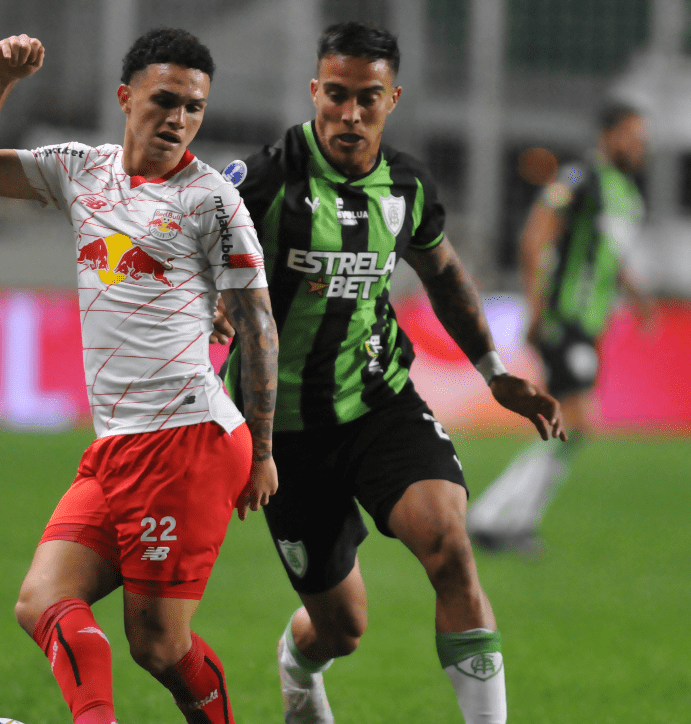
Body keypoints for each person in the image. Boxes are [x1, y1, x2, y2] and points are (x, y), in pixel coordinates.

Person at [211, 22, 564, 724]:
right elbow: (198, 258)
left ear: (392, 98)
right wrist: (210, 309)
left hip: (380, 402)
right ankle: (298, 665)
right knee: (342, 628)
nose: (349, 114)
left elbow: (444, 273)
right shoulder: (266, 180)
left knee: (450, 547)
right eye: (335, 95)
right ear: (315, 90)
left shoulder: (405, 186)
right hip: (285, 431)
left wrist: (494, 369)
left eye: (367, 98)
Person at [0, 28, 279, 724]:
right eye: (164, 101)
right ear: (126, 98)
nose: (178, 118)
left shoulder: (212, 202)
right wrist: (1, 81)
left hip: (186, 438)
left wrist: (266, 451)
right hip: (118, 444)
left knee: (156, 644)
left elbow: (260, 328)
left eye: (194, 107)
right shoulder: (81, 170)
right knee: (41, 601)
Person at [465, 102, 655, 554]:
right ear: (607, 135)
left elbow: (610, 256)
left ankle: (507, 520)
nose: (639, 146)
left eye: (642, 138)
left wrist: (638, 296)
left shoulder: (627, 195)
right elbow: (536, 235)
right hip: (563, 316)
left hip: (589, 323)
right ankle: (496, 518)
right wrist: (537, 305)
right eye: (631, 135)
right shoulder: (579, 179)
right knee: (576, 421)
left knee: (573, 425)